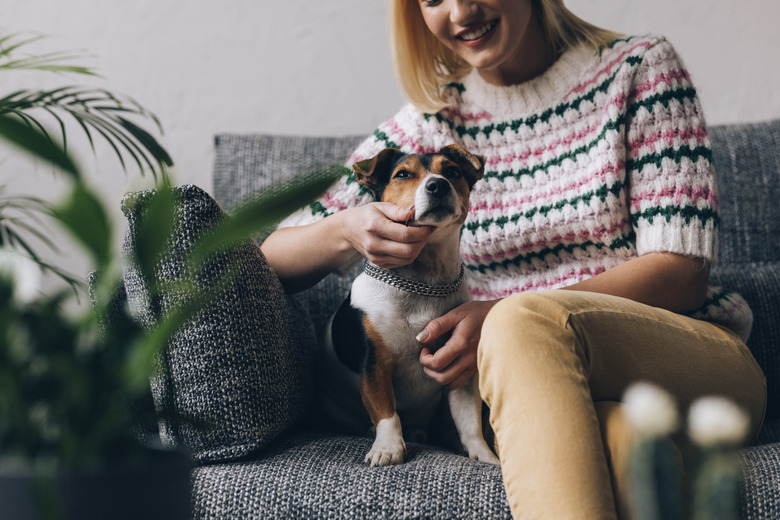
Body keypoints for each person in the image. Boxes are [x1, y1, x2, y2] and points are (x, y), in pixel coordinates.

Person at [261, 1, 767, 518]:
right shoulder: (427, 127)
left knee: (517, 323)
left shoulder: (640, 71)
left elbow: (681, 273)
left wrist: (507, 316)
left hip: (682, 362)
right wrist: (346, 228)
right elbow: (272, 259)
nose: (461, 10)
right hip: (538, 391)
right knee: (622, 447)